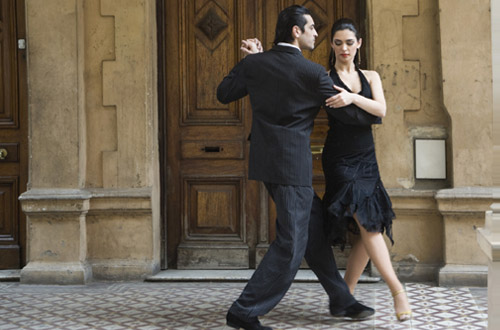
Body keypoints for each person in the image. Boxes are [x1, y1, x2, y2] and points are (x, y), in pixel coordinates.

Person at [217, 6, 378, 330]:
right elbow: (351, 116)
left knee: (313, 232)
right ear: (295, 31)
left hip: (267, 162)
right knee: (291, 244)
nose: (316, 34)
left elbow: (224, 93)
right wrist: (362, 102)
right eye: (311, 29)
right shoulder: (313, 73)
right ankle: (244, 311)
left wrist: (250, 60)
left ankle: (340, 298)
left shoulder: (256, 64)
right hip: (292, 168)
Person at [322, 18, 412, 322]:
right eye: (338, 42)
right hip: (340, 160)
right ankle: (397, 289)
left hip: (367, 158)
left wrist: (352, 97)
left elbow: (381, 110)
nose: (344, 48)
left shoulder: (371, 76)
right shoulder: (325, 79)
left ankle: (343, 295)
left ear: (358, 43)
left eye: (349, 42)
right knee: (369, 224)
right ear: (332, 45)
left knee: (367, 226)